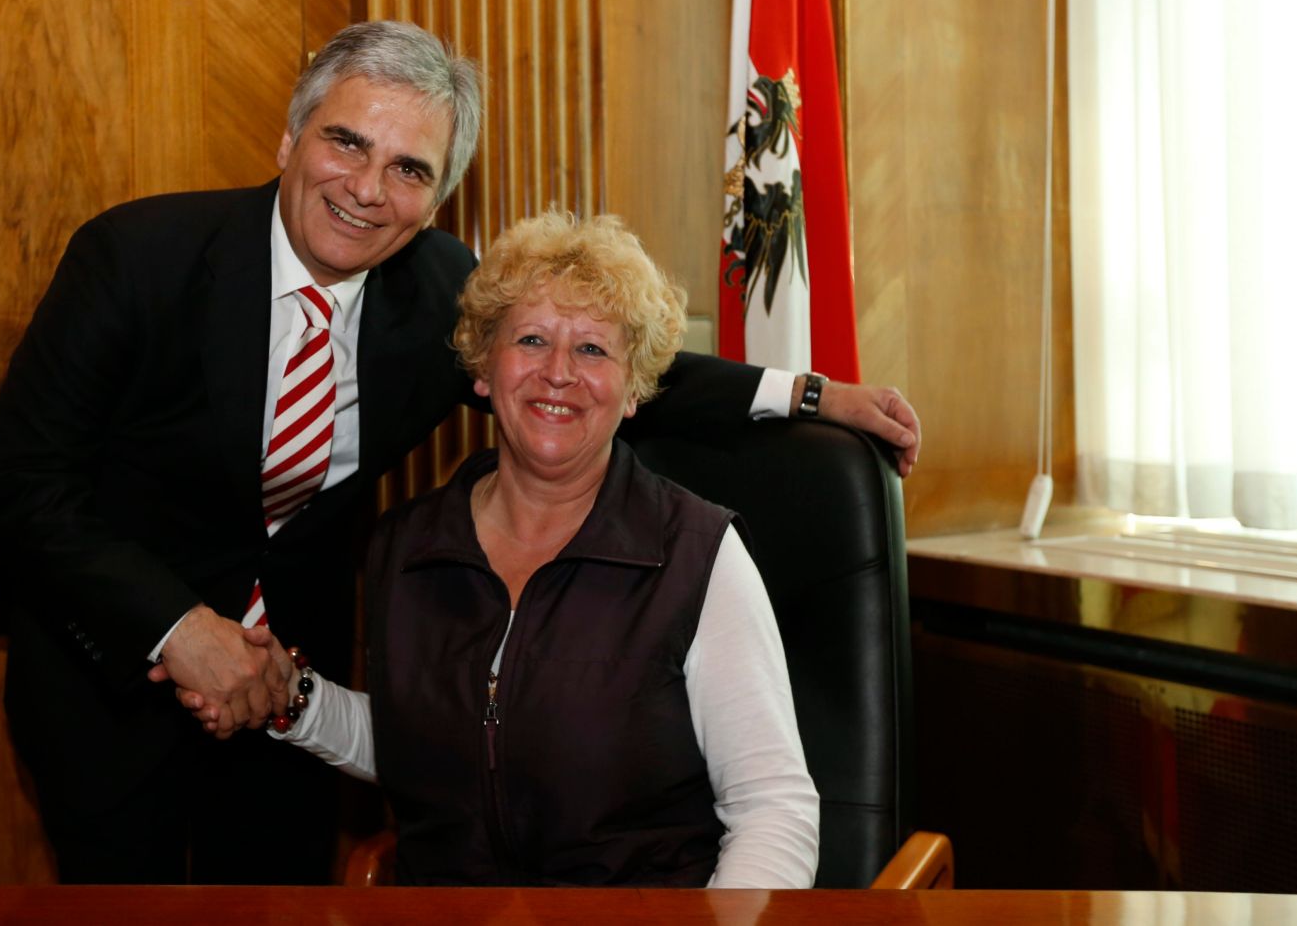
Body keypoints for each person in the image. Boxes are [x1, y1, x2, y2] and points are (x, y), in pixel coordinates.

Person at [0, 21, 912, 885]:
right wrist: (181, 627)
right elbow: (15, 488)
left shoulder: (437, 295)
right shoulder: (138, 258)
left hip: (282, 717)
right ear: (290, 139)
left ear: (435, 199)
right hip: (112, 681)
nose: (369, 188)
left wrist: (815, 392)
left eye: (410, 168)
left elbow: (610, 346)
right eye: (347, 142)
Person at [166, 212, 819, 886]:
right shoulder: (405, 544)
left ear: (633, 391)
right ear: (482, 369)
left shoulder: (698, 554)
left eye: (593, 349)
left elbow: (773, 808)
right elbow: (433, 743)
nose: (559, 372)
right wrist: (294, 698)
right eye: (531, 338)